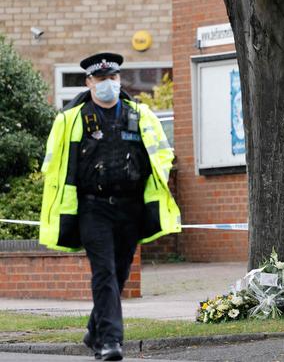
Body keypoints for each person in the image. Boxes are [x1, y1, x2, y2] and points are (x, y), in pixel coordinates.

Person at [39, 52, 181, 361]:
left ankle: (94, 330)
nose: (108, 84)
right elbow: (55, 169)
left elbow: (160, 156)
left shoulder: (140, 115)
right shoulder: (71, 119)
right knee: (103, 272)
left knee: (119, 272)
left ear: (119, 80)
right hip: (93, 207)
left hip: (130, 207)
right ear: (89, 82)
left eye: (113, 78)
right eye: (101, 79)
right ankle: (110, 342)